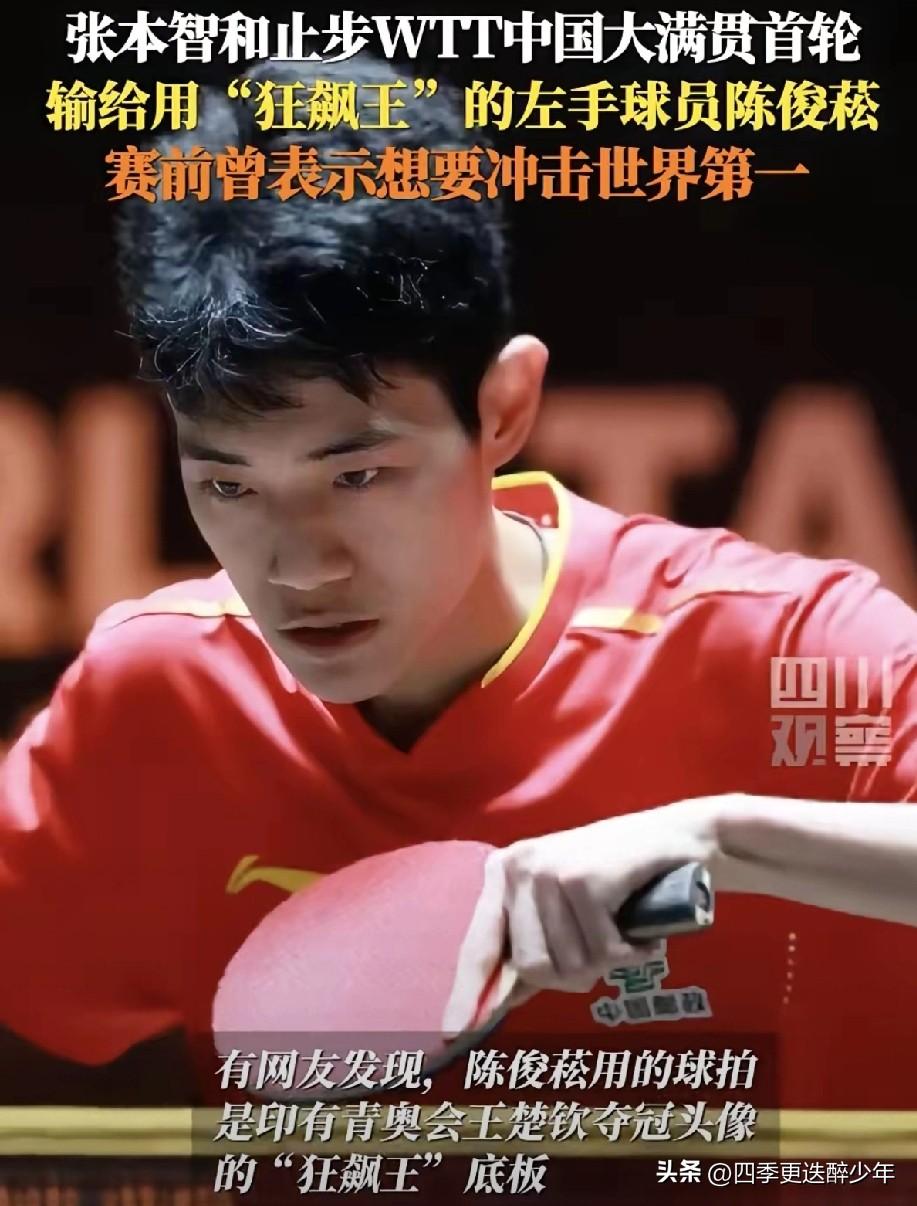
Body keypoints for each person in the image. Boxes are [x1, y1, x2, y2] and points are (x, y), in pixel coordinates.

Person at [2, 53, 916, 1113]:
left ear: (502, 407)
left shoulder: (786, 645)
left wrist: (718, 838)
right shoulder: (158, 698)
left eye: (358, 475)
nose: (299, 568)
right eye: (229, 485)